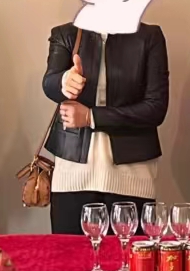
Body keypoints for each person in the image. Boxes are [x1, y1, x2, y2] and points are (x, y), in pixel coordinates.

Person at [42, 24, 169, 235]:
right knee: (70, 253)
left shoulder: (149, 36)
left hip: (132, 175)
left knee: (128, 254)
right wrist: (64, 81)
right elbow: (49, 82)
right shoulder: (66, 34)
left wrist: (91, 117)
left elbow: (156, 107)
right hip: (72, 176)